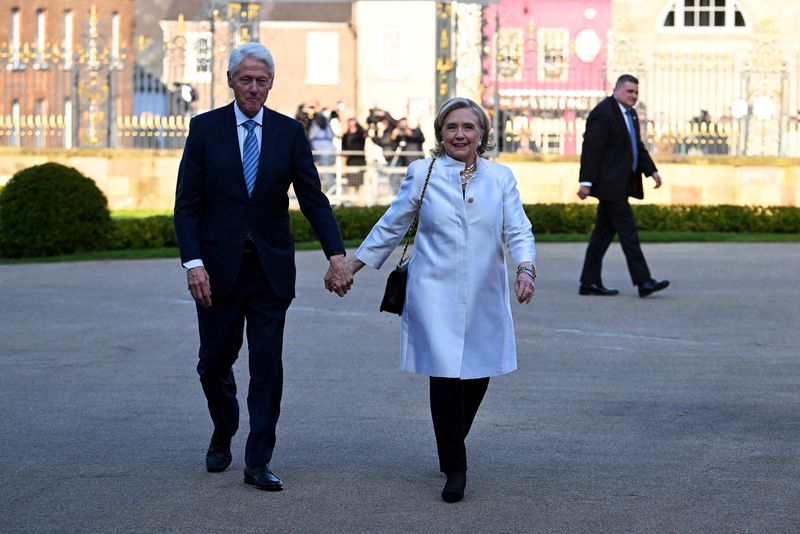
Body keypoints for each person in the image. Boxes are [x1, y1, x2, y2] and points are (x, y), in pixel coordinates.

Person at [173, 42, 352, 492]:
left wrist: (336, 254)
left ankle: (258, 461)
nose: (254, 88)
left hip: (270, 270)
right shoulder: (204, 129)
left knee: (267, 365)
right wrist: (193, 263)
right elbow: (187, 205)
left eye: (262, 81)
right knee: (214, 363)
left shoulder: (289, 132)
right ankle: (224, 427)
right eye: (246, 79)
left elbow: (312, 196)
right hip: (216, 271)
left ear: (271, 84)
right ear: (231, 81)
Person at [344, 97, 537, 503]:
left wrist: (525, 269)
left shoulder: (500, 178)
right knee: (446, 375)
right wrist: (351, 267)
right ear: (440, 133)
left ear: (482, 134)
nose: (460, 134)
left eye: (468, 127)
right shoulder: (423, 172)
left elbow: (518, 229)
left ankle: (451, 441)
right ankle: (456, 465)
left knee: (478, 374)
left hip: (485, 292)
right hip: (432, 292)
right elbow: (391, 225)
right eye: (451, 127)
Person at [577, 74, 670, 298]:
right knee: (628, 232)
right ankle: (644, 281)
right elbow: (592, 149)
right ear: (616, 90)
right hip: (610, 185)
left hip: (622, 183)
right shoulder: (603, 112)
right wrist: (585, 182)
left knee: (602, 235)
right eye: (629, 91)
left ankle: (589, 282)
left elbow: (636, 146)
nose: (633, 96)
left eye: (636, 92)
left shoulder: (631, 114)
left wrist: (652, 171)